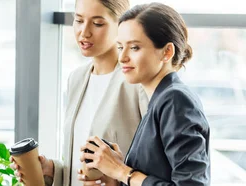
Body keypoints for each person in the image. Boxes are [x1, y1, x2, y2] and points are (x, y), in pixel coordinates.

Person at [11, 0, 147, 185]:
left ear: (121, 26)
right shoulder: (77, 78)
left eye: (97, 23)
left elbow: (155, 168)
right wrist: (53, 170)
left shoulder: (137, 83)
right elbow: (79, 164)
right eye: (79, 20)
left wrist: (117, 179)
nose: (84, 32)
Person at [79, 3, 210, 186]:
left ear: (167, 52)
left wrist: (122, 171)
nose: (122, 57)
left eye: (134, 48)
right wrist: (115, 176)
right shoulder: (159, 100)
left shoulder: (175, 100)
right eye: (120, 47)